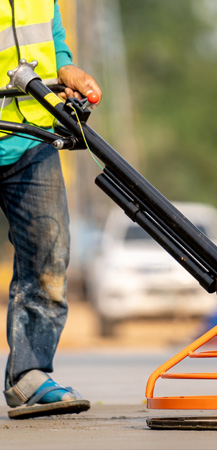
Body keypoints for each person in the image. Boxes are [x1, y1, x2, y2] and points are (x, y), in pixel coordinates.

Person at [0, 0, 102, 419]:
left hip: (31, 134)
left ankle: (30, 376)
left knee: (50, 256)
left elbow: (51, 38)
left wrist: (65, 68)